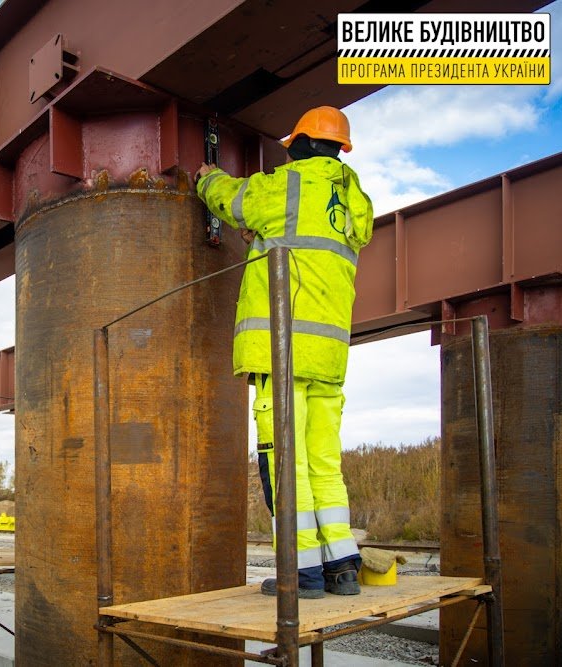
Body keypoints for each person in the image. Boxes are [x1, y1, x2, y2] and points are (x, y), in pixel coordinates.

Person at [195, 106, 374, 598]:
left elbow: (234, 200)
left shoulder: (288, 185)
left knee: (284, 460)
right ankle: (340, 567)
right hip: (330, 355)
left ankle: (301, 572)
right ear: (339, 148)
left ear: (300, 144)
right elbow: (300, 239)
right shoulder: (353, 200)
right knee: (322, 461)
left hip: (284, 348)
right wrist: (266, 234)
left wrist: (207, 179)